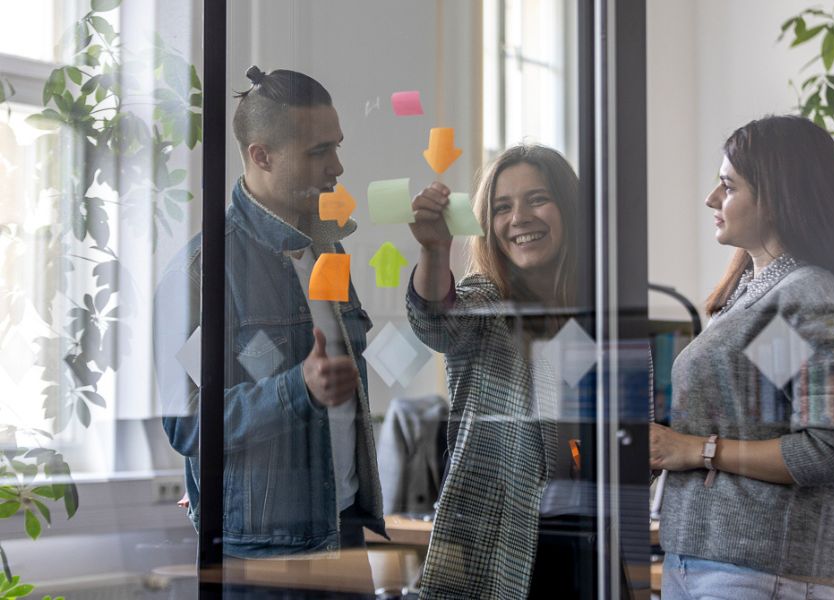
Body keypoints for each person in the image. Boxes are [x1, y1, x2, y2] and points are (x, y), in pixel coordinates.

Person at [650, 115, 834, 598]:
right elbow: (771, 417)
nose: (711, 200)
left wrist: (695, 448)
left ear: (778, 199)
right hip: (706, 560)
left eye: (728, 186)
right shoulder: (760, 297)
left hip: (753, 571)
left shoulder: (806, 295)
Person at [154, 66, 386, 560]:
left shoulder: (330, 250)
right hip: (265, 554)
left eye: (336, 146)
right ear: (261, 155)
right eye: (318, 151)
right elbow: (187, 425)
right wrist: (295, 388)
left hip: (346, 529)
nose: (337, 166)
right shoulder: (200, 275)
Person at [406, 144, 583, 598]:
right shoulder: (487, 302)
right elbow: (438, 320)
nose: (519, 217)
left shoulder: (598, 316)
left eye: (538, 198)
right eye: (502, 207)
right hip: (493, 552)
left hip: (584, 550)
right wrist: (434, 250)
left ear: (569, 208)